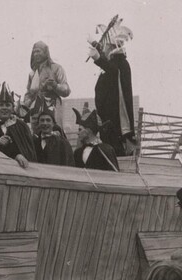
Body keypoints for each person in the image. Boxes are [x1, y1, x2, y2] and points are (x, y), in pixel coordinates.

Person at [88, 18, 135, 156]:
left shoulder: (120, 63)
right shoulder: (112, 63)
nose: (103, 48)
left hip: (116, 121)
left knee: (116, 151)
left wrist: (98, 59)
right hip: (107, 119)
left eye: (106, 46)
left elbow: (113, 71)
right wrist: (95, 45)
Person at [23, 41, 70, 116]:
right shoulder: (32, 74)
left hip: (52, 106)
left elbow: (66, 90)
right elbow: (28, 93)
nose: (36, 54)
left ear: (45, 52)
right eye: (34, 52)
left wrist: (55, 86)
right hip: (35, 108)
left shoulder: (56, 68)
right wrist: (26, 104)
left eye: (38, 51)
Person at [73, 107, 119, 172]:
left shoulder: (106, 150)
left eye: (80, 129)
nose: (78, 133)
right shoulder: (77, 153)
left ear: (88, 131)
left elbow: (114, 175)